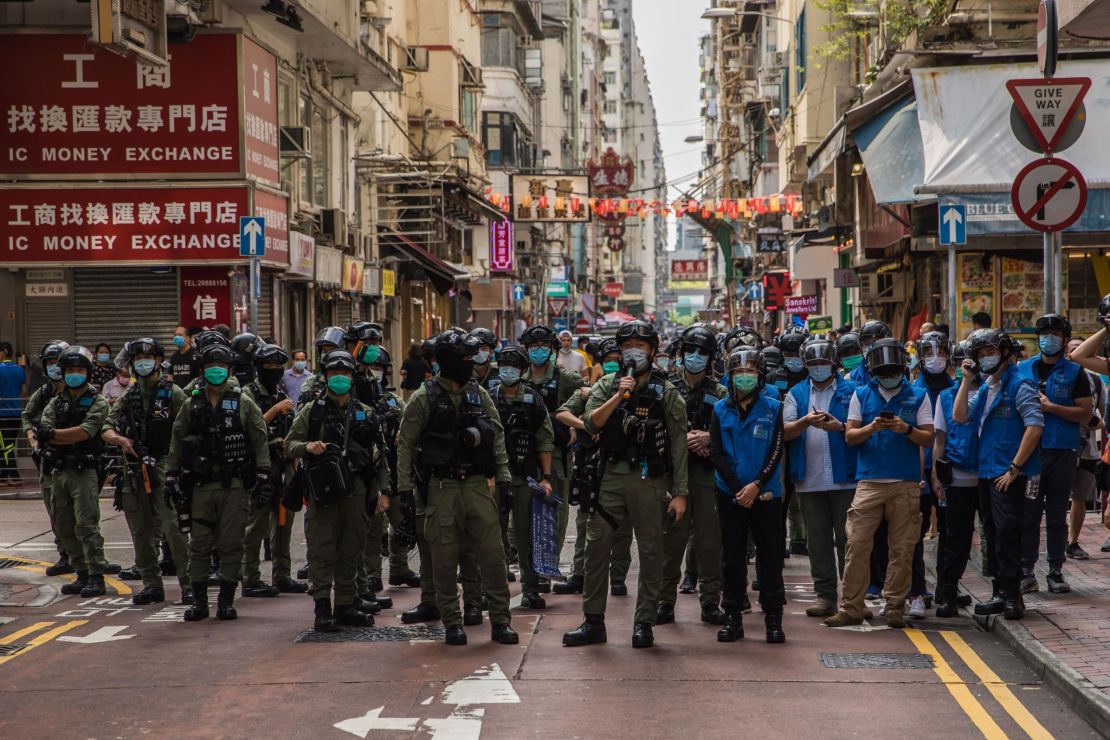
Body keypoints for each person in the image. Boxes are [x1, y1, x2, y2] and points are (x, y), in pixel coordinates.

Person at [562, 320, 687, 650]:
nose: (635, 352)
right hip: (611, 476)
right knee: (596, 546)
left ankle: (644, 623)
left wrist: (680, 493)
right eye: (628, 346)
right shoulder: (606, 385)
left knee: (650, 551)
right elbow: (592, 422)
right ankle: (593, 621)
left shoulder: (667, 391)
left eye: (641, 347)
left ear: (653, 352)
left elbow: (678, 444)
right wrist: (619, 395)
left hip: (650, 479)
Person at [395, 330, 519, 646]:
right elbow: (406, 446)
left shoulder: (479, 394)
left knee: (493, 557)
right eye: (465, 358)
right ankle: (452, 623)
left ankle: (501, 622)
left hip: (477, 485)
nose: (471, 364)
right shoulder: (424, 397)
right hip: (441, 487)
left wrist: (503, 477)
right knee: (444, 560)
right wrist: (404, 491)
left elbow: (497, 434)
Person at [824, 338, 934, 629]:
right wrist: (872, 426)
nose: (889, 377)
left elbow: (928, 437)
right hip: (869, 482)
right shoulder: (861, 394)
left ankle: (895, 607)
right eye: (883, 372)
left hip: (906, 482)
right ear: (873, 371)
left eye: (893, 370)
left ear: (902, 368)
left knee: (902, 548)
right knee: (857, 544)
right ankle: (851, 607)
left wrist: (905, 428)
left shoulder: (919, 395)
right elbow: (850, 436)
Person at [284, 350, 389, 632]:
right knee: (322, 551)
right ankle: (322, 609)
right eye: (333, 373)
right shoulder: (312, 411)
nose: (339, 378)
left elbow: (380, 457)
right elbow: (289, 444)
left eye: (344, 373)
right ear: (326, 376)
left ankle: (345, 605)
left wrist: (384, 492)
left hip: (356, 493)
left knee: (350, 551)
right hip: (324, 496)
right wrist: (307, 446)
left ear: (352, 377)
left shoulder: (365, 414)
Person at [165, 341, 270, 622]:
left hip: (234, 486)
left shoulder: (243, 403)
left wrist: (263, 476)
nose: (216, 371)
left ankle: (226, 600)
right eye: (211, 367)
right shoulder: (191, 404)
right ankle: (199, 601)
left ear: (230, 370)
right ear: (202, 370)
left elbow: (259, 440)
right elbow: (176, 442)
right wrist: (171, 476)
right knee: (199, 544)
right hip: (200, 487)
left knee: (232, 543)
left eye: (221, 366)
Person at [954, 329, 1043, 620]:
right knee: (992, 532)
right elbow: (960, 416)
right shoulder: (986, 386)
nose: (984, 359)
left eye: (989, 352)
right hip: (986, 469)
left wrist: (1014, 469)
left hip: (1009, 473)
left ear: (1005, 353)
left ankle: (1013, 594)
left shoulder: (1020, 384)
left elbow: (1034, 427)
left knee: (1008, 532)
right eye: (979, 354)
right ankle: (999, 591)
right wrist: (966, 380)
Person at [100, 338, 191, 605]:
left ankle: (188, 584)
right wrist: (122, 441)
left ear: (158, 360)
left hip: (164, 465)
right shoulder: (130, 395)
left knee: (174, 528)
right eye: (137, 358)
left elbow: (189, 428)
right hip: (134, 468)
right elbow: (107, 425)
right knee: (141, 530)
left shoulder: (173, 393)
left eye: (148, 357)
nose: (142, 362)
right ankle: (152, 584)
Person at [710, 347, 787, 644]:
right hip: (731, 495)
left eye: (751, 371)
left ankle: (773, 618)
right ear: (729, 376)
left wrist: (756, 485)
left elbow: (777, 449)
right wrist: (737, 487)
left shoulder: (773, 407)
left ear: (760, 375)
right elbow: (716, 452)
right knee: (732, 558)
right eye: (739, 372)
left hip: (766, 494)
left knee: (770, 556)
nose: (745, 376)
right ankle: (732, 616)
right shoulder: (720, 409)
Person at [1016, 314, 1091, 595]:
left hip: (1063, 452)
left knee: (1058, 514)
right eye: (1044, 333)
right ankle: (1026, 571)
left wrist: (1052, 408)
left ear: (1065, 338)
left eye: (1055, 334)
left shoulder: (1075, 373)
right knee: (1029, 513)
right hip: (1031, 453)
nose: (1049, 338)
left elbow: (1084, 412)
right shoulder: (1023, 369)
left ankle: (1055, 571)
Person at [783, 337, 858, 618]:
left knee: (850, 540)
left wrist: (839, 428)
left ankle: (852, 597)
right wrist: (806, 422)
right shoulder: (796, 394)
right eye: (812, 364)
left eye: (823, 363)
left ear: (833, 364)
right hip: (809, 479)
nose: (818, 368)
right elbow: (786, 430)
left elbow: (859, 427)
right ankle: (825, 596)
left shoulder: (853, 392)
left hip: (846, 478)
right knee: (818, 542)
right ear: (805, 365)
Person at [657, 325, 727, 626]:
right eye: (690, 351)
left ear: (711, 358)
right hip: (672, 480)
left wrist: (709, 438)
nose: (695, 357)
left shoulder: (722, 391)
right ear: (680, 354)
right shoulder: (664, 388)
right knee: (670, 543)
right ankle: (663, 602)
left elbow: (731, 432)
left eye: (702, 353)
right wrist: (681, 439)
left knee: (710, 543)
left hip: (708, 478)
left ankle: (710, 602)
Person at [555, 338, 634, 597]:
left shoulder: (630, 389)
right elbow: (562, 413)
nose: (612, 364)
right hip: (591, 466)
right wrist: (585, 426)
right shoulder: (588, 391)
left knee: (621, 527)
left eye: (616, 359)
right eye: (607, 359)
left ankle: (618, 578)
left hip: (620, 466)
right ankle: (579, 575)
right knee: (585, 524)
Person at [38, 346, 111, 597]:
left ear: (88, 373)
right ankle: (80, 573)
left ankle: (95, 575)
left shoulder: (97, 400)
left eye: (79, 370)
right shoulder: (55, 403)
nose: (74, 374)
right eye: (70, 370)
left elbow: (86, 431)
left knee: (86, 524)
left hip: (84, 471)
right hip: (59, 471)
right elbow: (42, 430)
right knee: (64, 524)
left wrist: (55, 435)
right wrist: (57, 436)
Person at [240, 343, 308, 598]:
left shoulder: (280, 389)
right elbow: (249, 427)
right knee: (256, 524)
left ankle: (282, 575)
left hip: (283, 464)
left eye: (279, 366)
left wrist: (292, 454)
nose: (274, 371)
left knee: (283, 522)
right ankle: (250, 578)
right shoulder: (247, 393)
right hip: (260, 467)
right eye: (269, 366)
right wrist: (274, 410)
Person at [522, 324, 584, 592]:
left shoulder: (565, 378)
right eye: (533, 347)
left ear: (552, 350)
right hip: (524, 456)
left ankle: (547, 567)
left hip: (557, 457)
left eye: (543, 347)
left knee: (554, 516)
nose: (538, 351)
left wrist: (573, 422)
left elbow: (586, 394)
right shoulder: (518, 379)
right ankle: (529, 574)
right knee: (523, 518)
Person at [492, 345, 555, 608]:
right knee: (492, 536)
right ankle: (492, 591)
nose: (508, 371)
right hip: (493, 479)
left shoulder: (533, 399)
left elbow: (545, 440)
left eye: (514, 366)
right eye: (504, 365)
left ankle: (530, 588)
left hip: (524, 478)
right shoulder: (488, 396)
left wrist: (546, 477)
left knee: (526, 534)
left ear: (523, 370)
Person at [934, 341, 985, 618]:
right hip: (958, 478)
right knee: (956, 539)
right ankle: (949, 593)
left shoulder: (992, 392)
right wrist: (936, 475)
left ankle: (1001, 592)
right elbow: (940, 439)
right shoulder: (945, 397)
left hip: (989, 475)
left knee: (995, 536)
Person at [907, 331, 956, 618]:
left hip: (952, 471)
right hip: (921, 473)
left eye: (940, 352)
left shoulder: (956, 387)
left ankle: (946, 587)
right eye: (928, 352)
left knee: (950, 532)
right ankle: (918, 588)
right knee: (915, 530)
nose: (935, 358)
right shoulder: (915, 391)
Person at [22, 341, 70, 572]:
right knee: (55, 510)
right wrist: (33, 439)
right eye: (49, 363)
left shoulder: (82, 393)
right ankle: (65, 554)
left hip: (74, 461)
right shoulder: (42, 393)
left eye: (57, 362)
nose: (54, 367)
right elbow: (28, 416)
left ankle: (89, 558)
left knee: (83, 514)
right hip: (48, 461)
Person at [1065, 336, 1101, 561]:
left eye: (1080, 348)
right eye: (1072, 350)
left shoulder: (1095, 380)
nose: (1076, 354)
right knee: (1057, 498)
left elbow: (1102, 417)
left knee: (1080, 497)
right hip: (1062, 446)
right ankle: (1056, 544)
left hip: (1087, 447)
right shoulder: (1059, 378)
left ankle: (1073, 541)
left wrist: (1091, 420)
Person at [0, 340, 28, 486]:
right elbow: (24, 391)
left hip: (2, 414)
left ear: (3, 352)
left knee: (4, 446)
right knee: (9, 445)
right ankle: (11, 476)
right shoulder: (20, 369)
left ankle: (7, 477)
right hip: (16, 413)